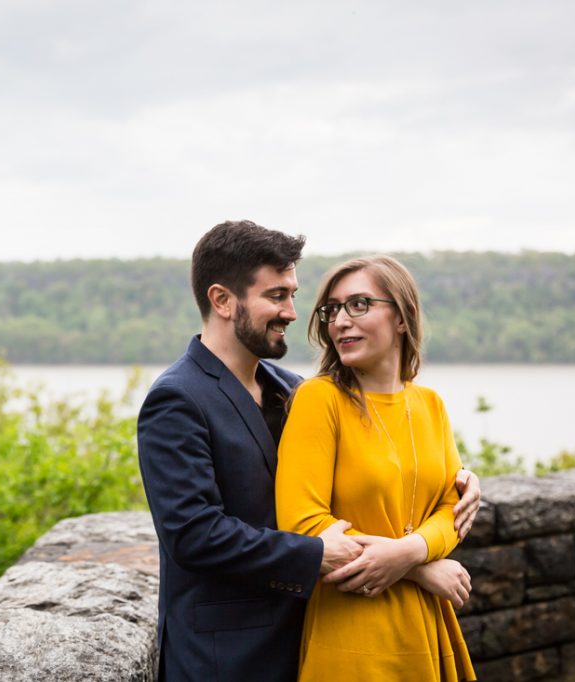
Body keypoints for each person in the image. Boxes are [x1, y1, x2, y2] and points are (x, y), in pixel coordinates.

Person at [138, 222, 481, 682]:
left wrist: (460, 482)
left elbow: (369, 474)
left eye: (294, 296)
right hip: (226, 656)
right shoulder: (177, 398)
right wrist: (410, 565)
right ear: (222, 300)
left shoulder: (290, 390)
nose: (293, 313)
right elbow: (194, 534)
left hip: (304, 635)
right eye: (277, 296)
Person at [276, 255, 477, 681]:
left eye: (359, 304)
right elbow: (303, 524)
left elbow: (453, 511)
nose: (340, 321)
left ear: (403, 317)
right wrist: (420, 568)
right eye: (332, 310)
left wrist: (408, 553)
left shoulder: (430, 405)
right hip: (352, 628)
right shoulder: (320, 399)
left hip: (426, 625)